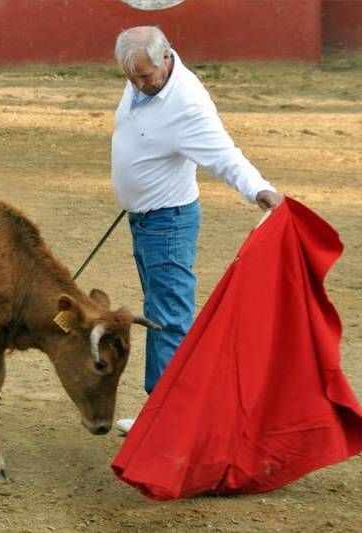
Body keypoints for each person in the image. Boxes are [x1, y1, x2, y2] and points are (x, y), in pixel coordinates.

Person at [111, 26, 283, 434]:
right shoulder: (146, 81)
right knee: (160, 313)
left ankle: (171, 421)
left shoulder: (187, 104)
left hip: (167, 224)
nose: (138, 85)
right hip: (146, 220)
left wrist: (259, 189)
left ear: (167, 56)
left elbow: (224, 154)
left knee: (168, 319)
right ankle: (166, 413)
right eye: (130, 77)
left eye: (145, 76)